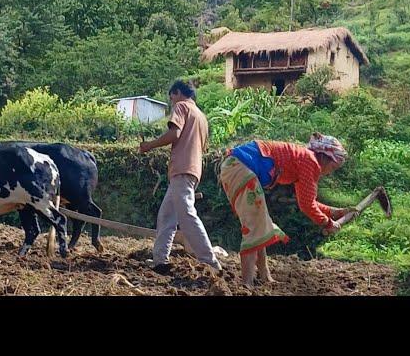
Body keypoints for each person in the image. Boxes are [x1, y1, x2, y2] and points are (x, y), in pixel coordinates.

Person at [219, 133, 354, 287]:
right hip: (240, 168)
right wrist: (328, 223)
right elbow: (306, 205)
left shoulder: (303, 158)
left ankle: (264, 275)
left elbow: (307, 200)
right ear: (325, 157)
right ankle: (247, 284)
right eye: (333, 167)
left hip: (235, 166)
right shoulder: (310, 162)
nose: (330, 172)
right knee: (255, 227)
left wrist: (335, 212)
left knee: (260, 224)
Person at [139, 80, 222, 275]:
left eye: (171, 97)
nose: (171, 101)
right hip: (191, 170)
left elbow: (174, 133)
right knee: (167, 216)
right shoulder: (201, 116)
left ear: (177, 93)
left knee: (186, 215)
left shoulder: (181, 106)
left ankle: (210, 261)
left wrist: (149, 145)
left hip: (182, 169)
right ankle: (160, 260)